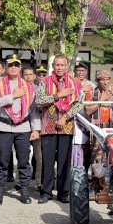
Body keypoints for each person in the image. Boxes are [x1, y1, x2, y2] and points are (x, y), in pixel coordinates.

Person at [36, 54, 84, 203]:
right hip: (48, 126)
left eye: (62, 65)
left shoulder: (74, 83)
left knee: (64, 161)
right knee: (48, 160)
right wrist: (57, 95)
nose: (60, 68)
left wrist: (65, 117)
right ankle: (46, 192)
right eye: (57, 65)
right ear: (53, 66)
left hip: (67, 126)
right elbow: (38, 101)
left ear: (66, 66)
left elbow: (79, 103)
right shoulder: (45, 82)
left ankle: (63, 193)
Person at [0, 54, 39, 204]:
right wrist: (12, 96)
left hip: (23, 128)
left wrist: (35, 129)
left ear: (20, 68)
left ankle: (24, 191)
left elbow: (33, 110)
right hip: (4, 127)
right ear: (6, 67)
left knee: (24, 161)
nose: (13, 67)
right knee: (2, 162)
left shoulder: (28, 86)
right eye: (10, 65)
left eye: (16, 65)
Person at [85, 70, 113, 186]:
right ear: (97, 81)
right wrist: (101, 101)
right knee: (97, 156)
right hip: (97, 129)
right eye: (102, 79)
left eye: (107, 79)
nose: (105, 82)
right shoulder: (91, 93)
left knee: (111, 156)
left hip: (111, 129)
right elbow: (88, 111)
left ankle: (108, 183)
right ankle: (96, 183)